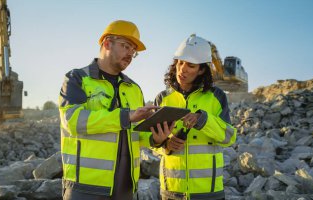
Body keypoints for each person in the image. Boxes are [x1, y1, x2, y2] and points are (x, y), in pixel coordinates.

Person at [58, 20, 171, 200]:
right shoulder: (77, 78)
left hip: (126, 189)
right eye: (126, 46)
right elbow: (73, 121)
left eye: (133, 51)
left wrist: (155, 138)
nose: (130, 54)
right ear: (107, 43)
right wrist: (126, 116)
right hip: (86, 188)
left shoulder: (134, 88)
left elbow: (136, 134)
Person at [153, 34, 237, 200]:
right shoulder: (162, 98)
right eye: (180, 62)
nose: (182, 69)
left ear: (202, 70)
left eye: (190, 65)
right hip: (171, 190)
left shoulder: (217, 96)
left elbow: (229, 137)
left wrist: (203, 120)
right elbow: (151, 140)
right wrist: (165, 144)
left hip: (208, 192)